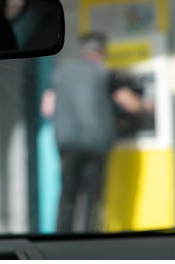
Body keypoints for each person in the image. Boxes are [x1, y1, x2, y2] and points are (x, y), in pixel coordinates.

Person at [42, 32, 116, 233]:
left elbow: (47, 108)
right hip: (96, 142)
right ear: (99, 53)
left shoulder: (60, 74)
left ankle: (62, 236)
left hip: (67, 142)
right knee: (92, 195)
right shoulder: (103, 74)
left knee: (68, 193)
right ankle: (89, 235)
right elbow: (125, 100)